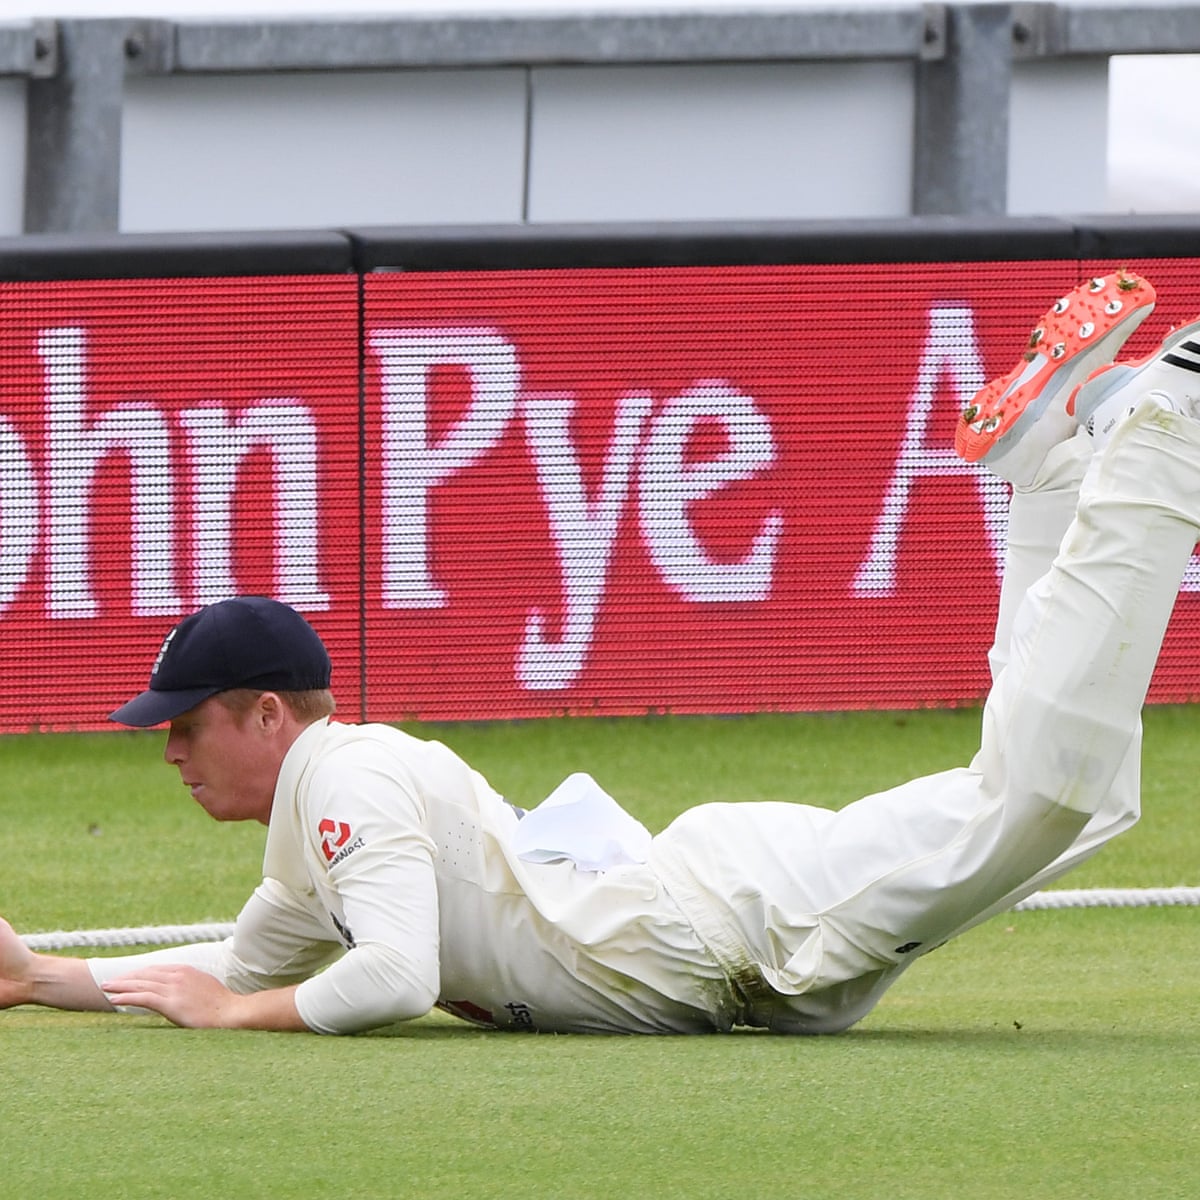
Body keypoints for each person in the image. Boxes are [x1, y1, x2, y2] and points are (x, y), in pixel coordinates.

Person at [2, 270, 1198, 1036]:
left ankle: (1153, 437)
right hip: (725, 928)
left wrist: (237, 1018)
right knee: (1062, 793)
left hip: (734, 925)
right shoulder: (322, 818)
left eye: (186, 720)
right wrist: (47, 974)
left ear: (269, 714)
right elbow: (242, 958)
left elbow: (391, 981)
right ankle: (1053, 471)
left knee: (1047, 794)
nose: (168, 747)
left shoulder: (345, 784)